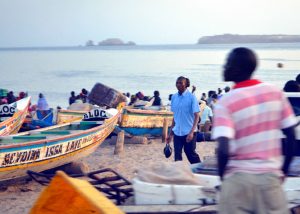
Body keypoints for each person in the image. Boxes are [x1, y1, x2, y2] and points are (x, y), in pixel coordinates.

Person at [212, 47, 297, 214]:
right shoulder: (275, 93)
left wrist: (224, 179)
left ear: (238, 68)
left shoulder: (226, 102)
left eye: (228, 63)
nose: (224, 67)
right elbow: (291, 136)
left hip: (237, 181)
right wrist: (284, 170)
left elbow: (223, 149)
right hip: (270, 180)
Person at [166, 76, 201, 164]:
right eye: (177, 83)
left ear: (186, 85)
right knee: (177, 156)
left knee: (190, 154)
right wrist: (170, 134)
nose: (178, 84)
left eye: (180, 83)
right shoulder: (174, 97)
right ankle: (179, 174)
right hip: (177, 132)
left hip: (189, 132)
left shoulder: (191, 97)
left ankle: (200, 170)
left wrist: (191, 132)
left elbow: (197, 115)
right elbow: (175, 116)